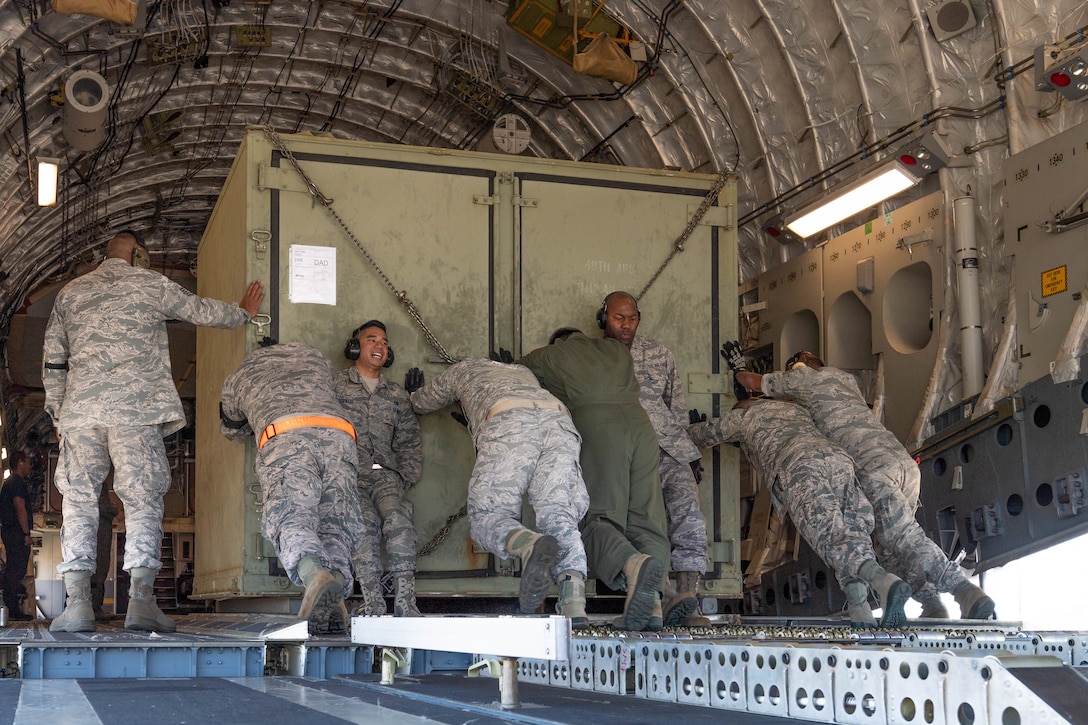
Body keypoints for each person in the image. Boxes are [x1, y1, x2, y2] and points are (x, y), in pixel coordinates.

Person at [42, 229, 264, 633]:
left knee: (78, 500)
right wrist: (243, 312)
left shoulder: (70, 293)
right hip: (135, 411)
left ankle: (76, 606)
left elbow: (54, 363)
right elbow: (200, 311)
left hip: (82, 413)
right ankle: (141, 603)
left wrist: (60, 416)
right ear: (139, 254)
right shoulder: (150, 283)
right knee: (142, 498)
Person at [735, 351, 996, 620]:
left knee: (904, 537)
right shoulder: (847, 381)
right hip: (901, 463)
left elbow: (753, 382)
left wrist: (737, 369)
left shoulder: (803, 379)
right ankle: (931, 605)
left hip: (872, 468)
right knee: (890, 544)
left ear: (799, 366)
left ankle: (965, 591)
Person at [518, 328, 695, 631]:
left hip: (601, 432)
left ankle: (633, 564)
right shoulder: (616, 351)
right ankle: (652, 604)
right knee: (646, 519)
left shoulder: (551, 356)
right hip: (641, 429)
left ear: (559, 341)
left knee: (598, 521)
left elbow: (518, 374)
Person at [688, 398, 911, 627]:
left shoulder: (745, 416)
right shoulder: (796, 409)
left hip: (799, 466)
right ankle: (859, 609)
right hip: (839, 460)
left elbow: (703, 434)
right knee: (853, 533)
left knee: (830, 536)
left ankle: (883, 581)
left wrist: (693, 429)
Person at [406, 358, 592, 627]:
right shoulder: (522, 371)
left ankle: (528, 545)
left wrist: (412, 395)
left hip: (510, 421)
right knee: (559, 516)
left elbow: (424, 402)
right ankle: (574, 603)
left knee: (487, 516)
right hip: (560, 423)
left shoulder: (463, 369)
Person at [220, 340, 365, 635]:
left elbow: (231, 428)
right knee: (336, 522)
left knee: (291, 515)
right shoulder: (316, 358)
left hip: (287, 436)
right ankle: (334, 589)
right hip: (340, 435)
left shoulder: (240, 376)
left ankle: (316, 577)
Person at [599, 291, 710, 626]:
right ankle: (655, 599)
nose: (626, 325)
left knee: (688, 514)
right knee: (644, 525)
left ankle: (688, 597)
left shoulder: (658, 352)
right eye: (619, 318)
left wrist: (688, 450)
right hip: (627, 453)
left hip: (669, 449)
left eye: (632, 318)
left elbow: (675, 404)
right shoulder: (594, 355)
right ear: (603, 318)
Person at [333, 321, 423, 617]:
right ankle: (373, 601)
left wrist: (405, 478)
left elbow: (409, 440)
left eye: (384, 342)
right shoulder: (334, 386)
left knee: (398, 522)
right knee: (364, 530)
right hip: (350, 476)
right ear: (355, 347)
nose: (379, 347)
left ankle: (406, 601)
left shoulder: (395, 394)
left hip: (385, 477)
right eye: (371, 340)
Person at [0, 451, 35, 620]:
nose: (29, 466)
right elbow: (20, 507)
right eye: (28, 462)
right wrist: (26, 533)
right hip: (16, 532)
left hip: (9, 531)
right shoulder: (16, 483)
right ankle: (12, 609)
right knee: (16, 569)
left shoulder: (9, 483)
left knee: (13, 569)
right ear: (20, 463)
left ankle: (10, 608)